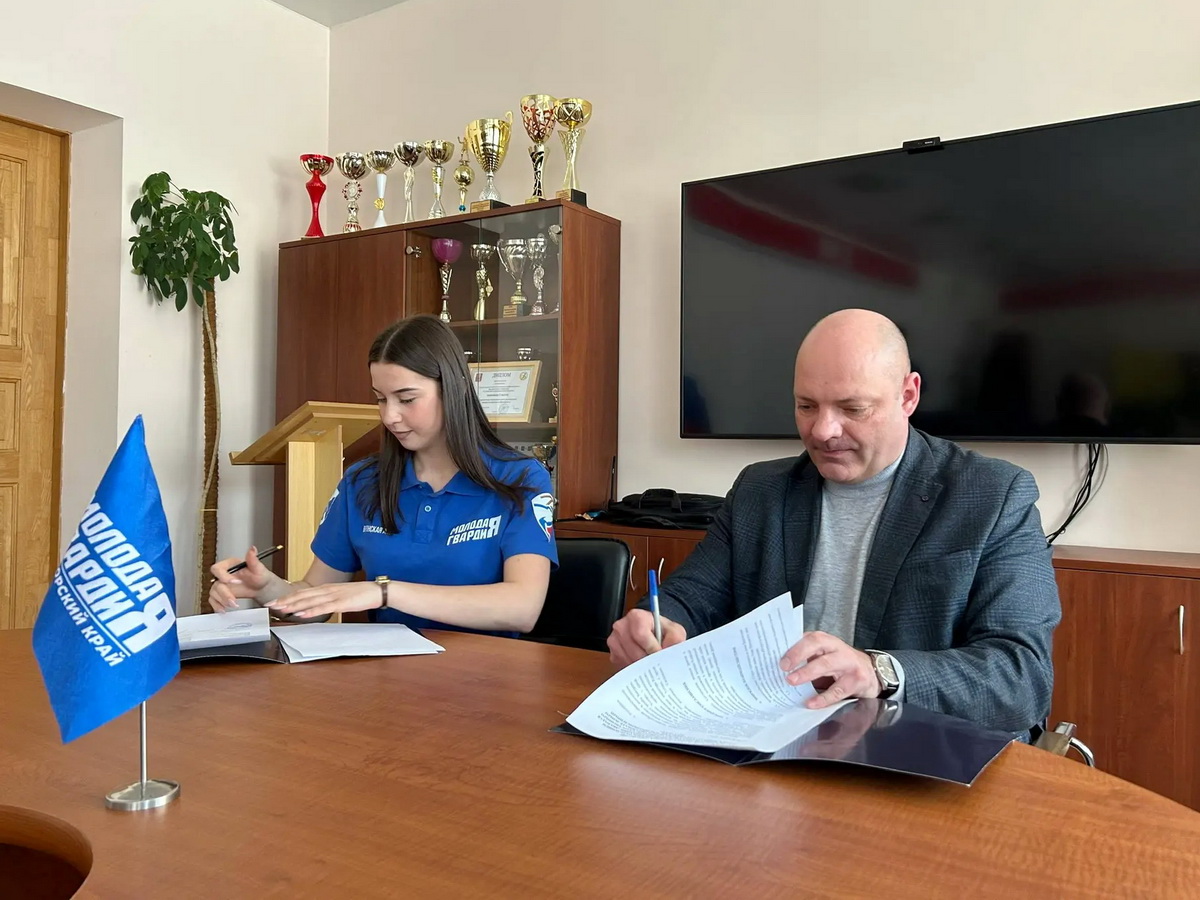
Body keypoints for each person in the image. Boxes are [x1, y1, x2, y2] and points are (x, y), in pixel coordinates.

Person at [607, 309, 1060, 735]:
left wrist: (877, 671)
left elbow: (1022, 676)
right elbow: (691, 598)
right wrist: (655, 623)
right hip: (775, 737)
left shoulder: (993, 495)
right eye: (807, 406)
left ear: (908, 395)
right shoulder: (760, 491)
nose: (822, 431)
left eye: (852, 408)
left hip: (917, 745)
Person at [209, 315, 558, 635]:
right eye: (380, 399)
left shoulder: (521, 479)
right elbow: (316, 594)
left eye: (406, 399)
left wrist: (384, 592)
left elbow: (522, 608)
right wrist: (266, 588)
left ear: (455, 389)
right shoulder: (362, 482)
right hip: (387, 674)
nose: (389, 416)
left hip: (487, 676)